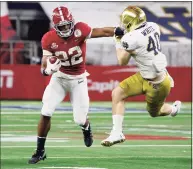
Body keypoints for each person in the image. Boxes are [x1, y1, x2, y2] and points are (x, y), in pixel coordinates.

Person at [28, 6, 115, 164]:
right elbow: (43, 67)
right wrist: (48, 70)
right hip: (59, 78)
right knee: (46, 110)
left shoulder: (81, 29)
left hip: (78, 80)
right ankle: (40, 151)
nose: (67, 29)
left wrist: (120, 31)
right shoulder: (48, 39)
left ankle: (86, 128)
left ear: (72, 22)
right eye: (62, 27)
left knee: (80, 119)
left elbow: (103, 31)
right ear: (56, 27)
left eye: (68, 25)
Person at [101, 6, 182, 147]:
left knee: (155, 112)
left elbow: (122, 61)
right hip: (145, 75)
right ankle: (116, 132)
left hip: (158, 84)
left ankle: (174, 109)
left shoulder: (131, 38)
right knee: (117, 93)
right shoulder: (153, 26)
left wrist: (118, 41)